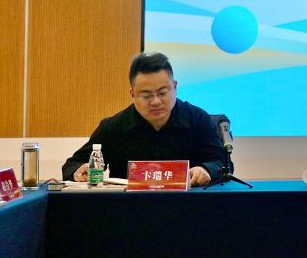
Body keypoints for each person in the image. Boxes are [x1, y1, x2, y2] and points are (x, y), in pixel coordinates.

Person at [62, 52, 226, 186]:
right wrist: (80, 170)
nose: (155, 101)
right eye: (146, 95)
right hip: (130, 208)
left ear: (175, 87)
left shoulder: (198, 120)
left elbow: (222, 163)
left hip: (188, 207)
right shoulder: (114, 127)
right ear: (132, 94)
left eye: (162, 93)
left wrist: (206, 170)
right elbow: (72, 165)